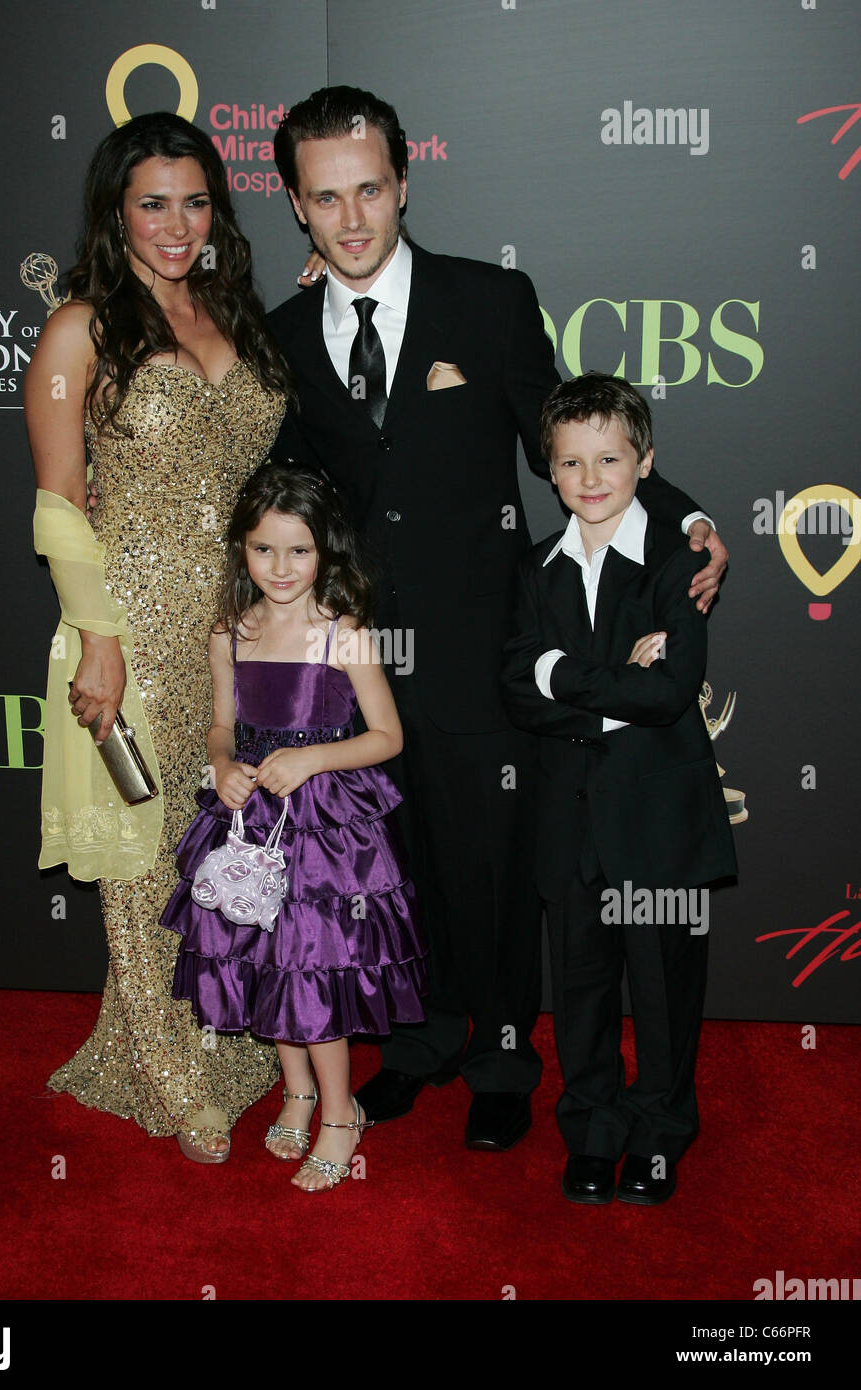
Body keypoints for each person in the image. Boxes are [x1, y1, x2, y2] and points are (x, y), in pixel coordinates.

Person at [266, 85, 730, 1150]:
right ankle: (423, 1041)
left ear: (405, 182)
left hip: (486, 652)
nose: (351, 219)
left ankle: (507, 1051)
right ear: (294, 203)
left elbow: (576, 443)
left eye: (370, 189)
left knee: (499, 863)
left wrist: (690, 518)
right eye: (325, 197)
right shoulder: (282, 331)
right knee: (399, 858)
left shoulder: (488, 300)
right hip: (361, 662)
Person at [25, 111, 293, 1163]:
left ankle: (215, 1040)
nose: (176, 224)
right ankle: (174, 1076)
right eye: (152, 203)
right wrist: (97, 638)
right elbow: (56, 502)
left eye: (193, 200)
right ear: (115, 213)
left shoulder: (236, 312)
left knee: (219, 843)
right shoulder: (80, 327)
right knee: (142, 858)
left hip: (240, 627)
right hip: (131, 629)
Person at [501, 372, 737, 1204]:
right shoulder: (535, 568)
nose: (591, 478)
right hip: (569, 828)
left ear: (645, 464)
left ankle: (663, 1132)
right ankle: (593, 1128)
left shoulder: (678, 565)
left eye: (610, 458)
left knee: (665, 989)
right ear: (550, 470)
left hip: (660, 827)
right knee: (583, 991)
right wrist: (600, 679)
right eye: (571, 463)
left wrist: (562, 675)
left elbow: (668, 691)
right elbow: (515, 690)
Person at [159, 462, 426, 1191]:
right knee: (261, 961)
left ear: (325, 552)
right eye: (263, 549)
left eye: (298, 550)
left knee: (315, 969)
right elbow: (221, 728)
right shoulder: (230, 633)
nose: (281, 567)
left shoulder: (345, 631)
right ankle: (298, 1091)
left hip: (328, 829)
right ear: (241, 551)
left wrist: (312, 763)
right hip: (250, 822)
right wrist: (221, 768)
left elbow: (387, 737)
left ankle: (341, 1111)